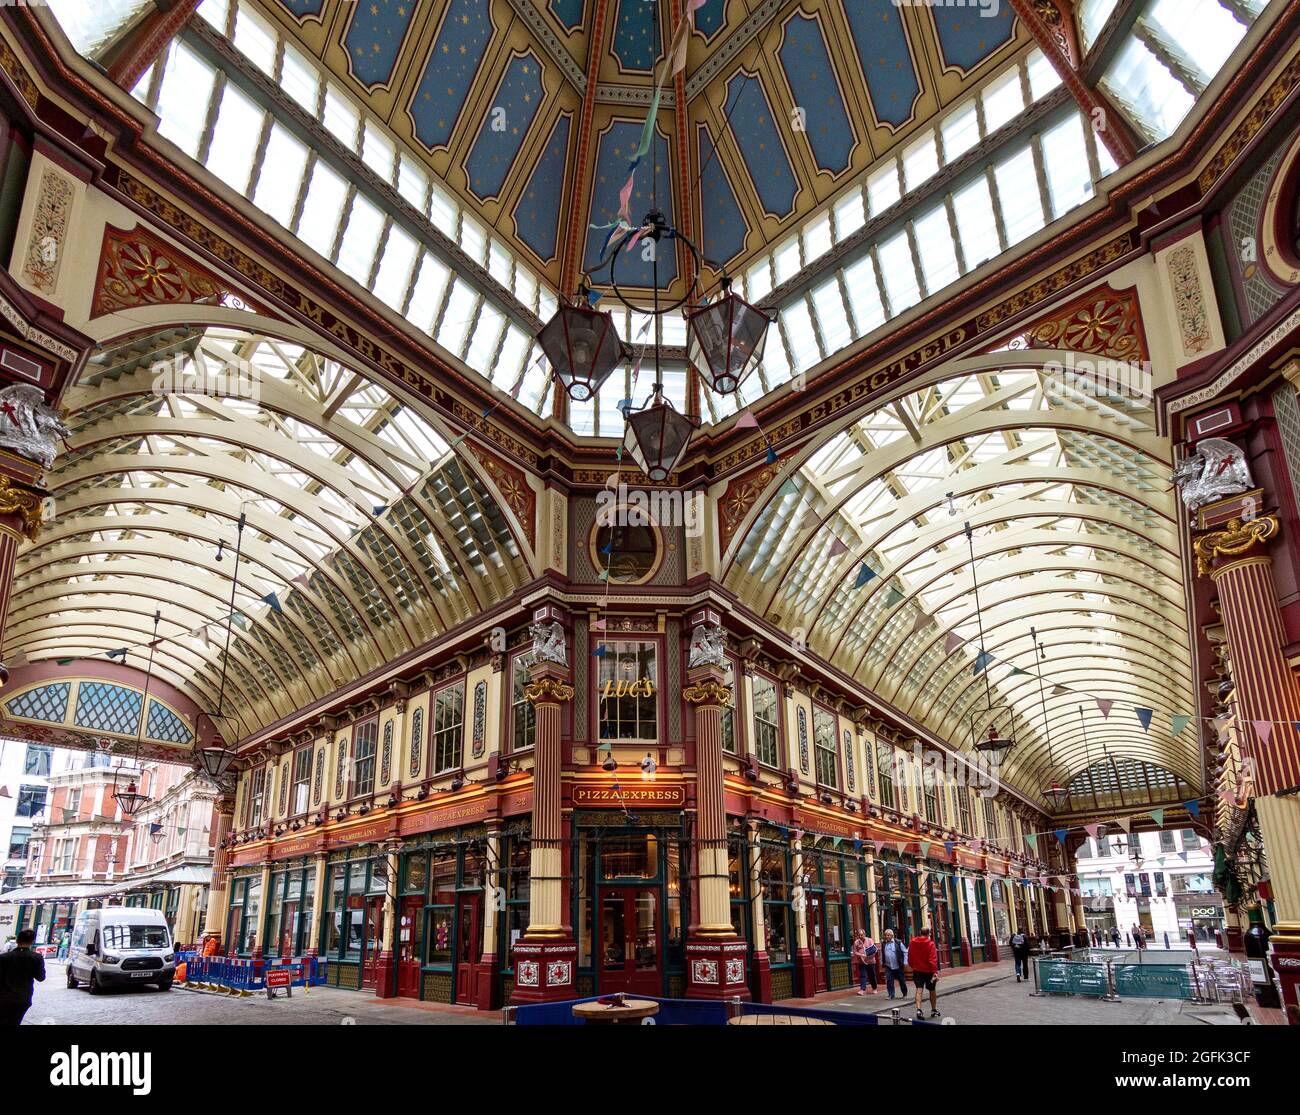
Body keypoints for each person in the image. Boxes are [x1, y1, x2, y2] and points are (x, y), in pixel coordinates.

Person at [0, 929, 46, 1026]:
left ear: (17, 940)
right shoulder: (37, 957)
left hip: (4, 997)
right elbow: (41, 977)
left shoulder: (4, 957)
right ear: (32, 942)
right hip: (23, 997)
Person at [908, 925, 940, 1020]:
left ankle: (919, 1010)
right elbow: (932, 960)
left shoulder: (912, 942)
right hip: (929, 971)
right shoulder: (931, 944)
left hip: (917, 970)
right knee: (932, 989)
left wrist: (913, 966)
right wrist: (935, 972)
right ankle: (933, 1009)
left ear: (920, 933)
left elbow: (910, 956)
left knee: (919, 989)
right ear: (928, 934)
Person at [880, 928, 908, 1000]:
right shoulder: (884, 943)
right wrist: (881, 962)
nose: (887, 936)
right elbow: (882, 953)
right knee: (889, 981)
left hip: (898, 965)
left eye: (888, 935)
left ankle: (904, 993)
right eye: (886, 935)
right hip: (888, 966)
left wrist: (905, 962)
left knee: (901, 980)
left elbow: (905, 952)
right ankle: (891, 995)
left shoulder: (898, 942)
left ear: (892, 936)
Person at [852, 929, 878, 995]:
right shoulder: (856, 942)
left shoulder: (870, 940)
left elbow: (873, 949)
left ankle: (874, 988)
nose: (860, 936)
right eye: (859, 935)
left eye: (862, 935)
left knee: (872, 975)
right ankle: (862, 989)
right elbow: (855, 952)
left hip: (871, 961)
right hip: (862, 962)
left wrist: (866, 955)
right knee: (863, 975)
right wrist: (861, 955)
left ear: (864, 934)